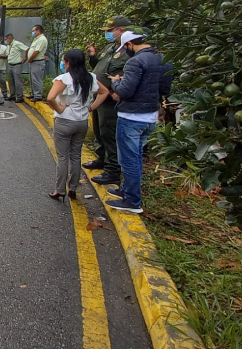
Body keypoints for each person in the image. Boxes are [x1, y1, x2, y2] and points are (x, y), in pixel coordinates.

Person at [106, 31, 173, 214]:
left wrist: (116, 82)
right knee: (135, 157)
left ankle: (133, 201)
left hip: (131, 118)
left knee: (128, 159)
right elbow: (166, 88)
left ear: (129, 44)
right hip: (150, 117)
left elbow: (125, 91)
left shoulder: (135, 62)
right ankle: (126, 190)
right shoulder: (163, 59)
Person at [46, 49, 109, 201]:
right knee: (75, 156)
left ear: (68, 63)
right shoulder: (90, 78)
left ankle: (59, 190)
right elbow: (104, 91)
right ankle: (73, 188)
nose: (62, 63)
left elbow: (50, 98)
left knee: (62, 157)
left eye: (63, 60)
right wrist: (91, 107)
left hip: (65, 121)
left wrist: (60, 109)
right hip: (82, 122)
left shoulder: (64, 79)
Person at [84, 16, 132, 186]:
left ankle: (113, 170)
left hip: (111, 98)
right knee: (99, 130)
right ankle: (102, 158)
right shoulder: (110, 47)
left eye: (111, 31)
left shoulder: (129, 51)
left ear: (122, 30)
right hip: (99, 96)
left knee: (109, 133)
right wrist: (93, 56)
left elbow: (128, 74)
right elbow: (101, 67)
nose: (109, 34)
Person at [25, 25, 48, 101]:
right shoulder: (36, 39)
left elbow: (36, 51)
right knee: (32, 79)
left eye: (33, 30)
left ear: (38, 30)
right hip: (34, 62)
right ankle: (34, 93)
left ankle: (38, 95)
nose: (33, 32)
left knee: (37, 79)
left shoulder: (42, 39)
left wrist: (30, 59)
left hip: (37, 62)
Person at [5, 33, 29, 103]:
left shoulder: (17, 44)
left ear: (10, 38)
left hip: (17, 65)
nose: (6, 41)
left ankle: (19, 97)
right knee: (11, 81)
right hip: (10, 65)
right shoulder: (9, 46)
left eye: (6, 39)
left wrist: (25, 58)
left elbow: (27, 48)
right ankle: (12, 95)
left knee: (18, 82)